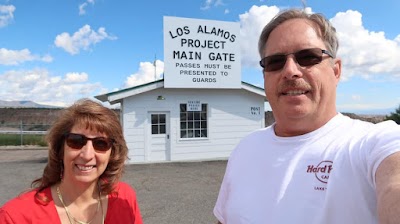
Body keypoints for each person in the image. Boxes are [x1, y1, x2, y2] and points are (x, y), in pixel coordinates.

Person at [214, 8, 400, 224]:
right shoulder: (244, 149)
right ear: (264, 75)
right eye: (275, 61)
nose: (290, 70)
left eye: (308, 57)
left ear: (336, 70)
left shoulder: (374, 143)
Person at [0, 99, 143, 224]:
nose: (87, 155)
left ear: (113, 153)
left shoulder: (124, 197)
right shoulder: (16, 217)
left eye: (101, 144)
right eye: (76, 141)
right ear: (60, 148)